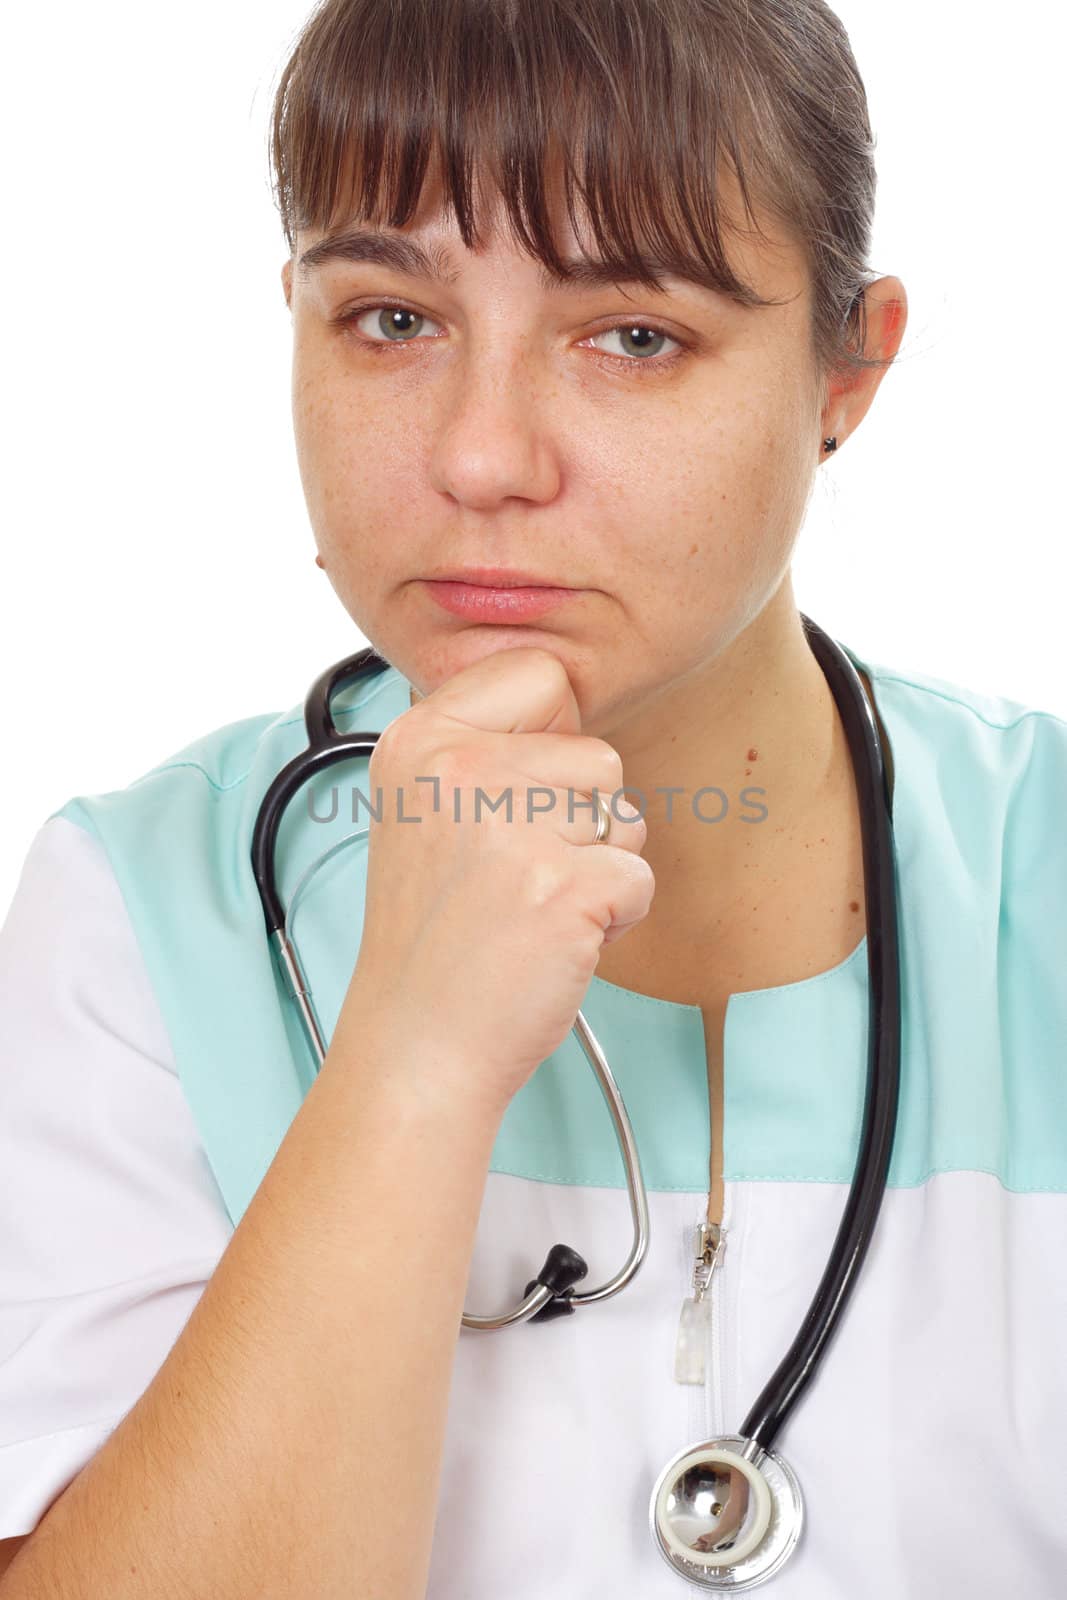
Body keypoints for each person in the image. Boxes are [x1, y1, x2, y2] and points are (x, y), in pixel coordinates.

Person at [1, 0, 1065, 1594]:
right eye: (390, 320)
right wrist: (411, 1066)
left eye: (633, 333)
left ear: (848, 370)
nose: (482, 456)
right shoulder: (142, 921)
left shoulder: (1040, 875)